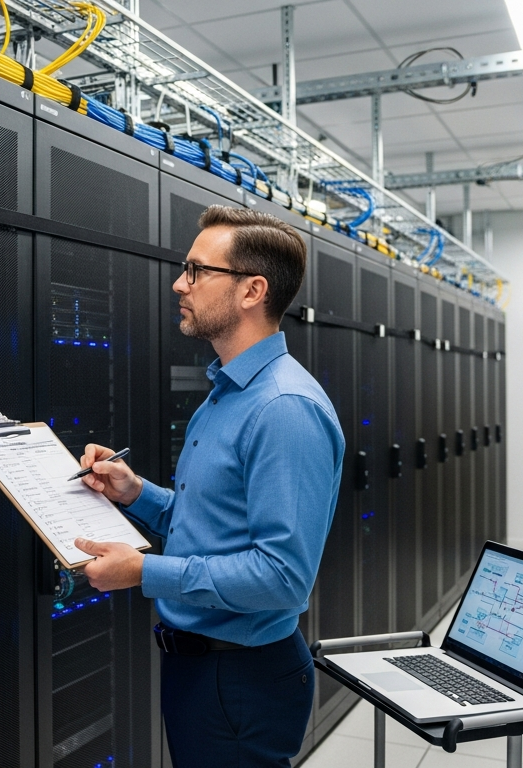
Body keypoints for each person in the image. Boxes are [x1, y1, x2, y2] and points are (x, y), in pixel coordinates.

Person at [72, 204, 344, 767]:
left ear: (252, 291)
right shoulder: (228, 391)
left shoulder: (283, 409)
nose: (180, 283)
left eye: (197, 270)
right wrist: (136, 492)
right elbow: (214, 526)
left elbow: (283, 577)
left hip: (241, 678)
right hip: (202, 666)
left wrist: (144, 571)